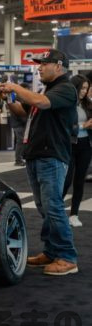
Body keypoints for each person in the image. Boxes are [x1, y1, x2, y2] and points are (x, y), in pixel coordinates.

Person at [0, 49, 78, 276]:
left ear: (59, 66)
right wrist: (8, 98)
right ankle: (52, 252)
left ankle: (67, 257)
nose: (39, 68)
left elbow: (40, 103)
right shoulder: (46, 90)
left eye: (44, 64)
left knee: (53, 207)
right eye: (39, 64)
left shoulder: (65, 88)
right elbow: (22, 111)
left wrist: (14, 87)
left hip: (52, 155)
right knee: (44, 208)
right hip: (36, 155)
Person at [62, 75, 92, 227]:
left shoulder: (88, 104)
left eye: (87, 88)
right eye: (82, 88)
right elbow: (63, 126)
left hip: (85, 145)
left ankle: (74, 214)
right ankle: (57, 211)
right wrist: (82, 126)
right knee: (66, 180)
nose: (84, 91)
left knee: (79, 181)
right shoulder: (66, 104)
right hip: (69, 145)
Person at [7, 83, 32, 166]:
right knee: (20, 142)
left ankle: (20, 158)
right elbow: (17, 111)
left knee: (21, 141)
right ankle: (18, 160)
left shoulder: (17, 97)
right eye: (28, 89)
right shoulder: (18, 98)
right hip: (19, 123)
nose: (28, 91)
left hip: (20, 123)